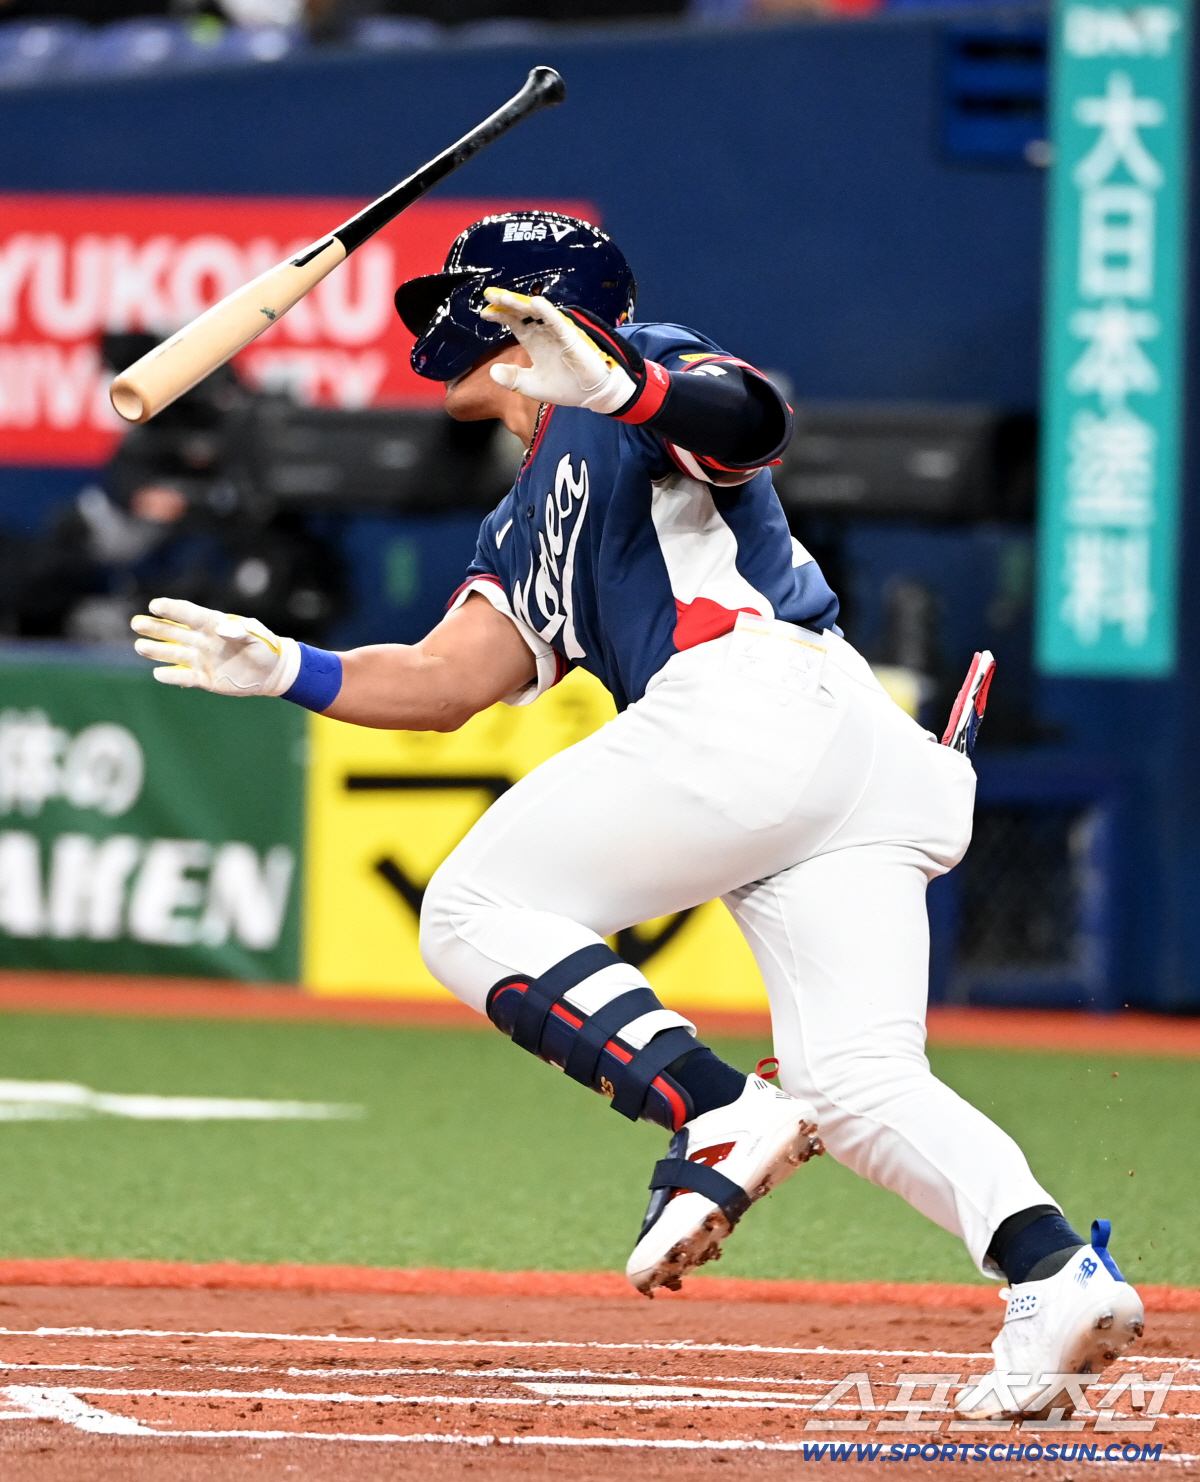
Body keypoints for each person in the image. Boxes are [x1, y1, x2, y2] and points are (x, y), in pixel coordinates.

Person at [131, 211, 1143, 1420]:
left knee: (473, 908)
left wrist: (621, 382)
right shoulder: (518, 520)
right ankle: (1053, 1274)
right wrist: (288, 667)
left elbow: (751, 424)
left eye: (461, 303)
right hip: (845, 761)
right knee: (859, 1081)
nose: (438, 329)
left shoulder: (642, 370)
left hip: (759, 699)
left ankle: (710, 1106)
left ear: (524, 316)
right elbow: (449, 682)